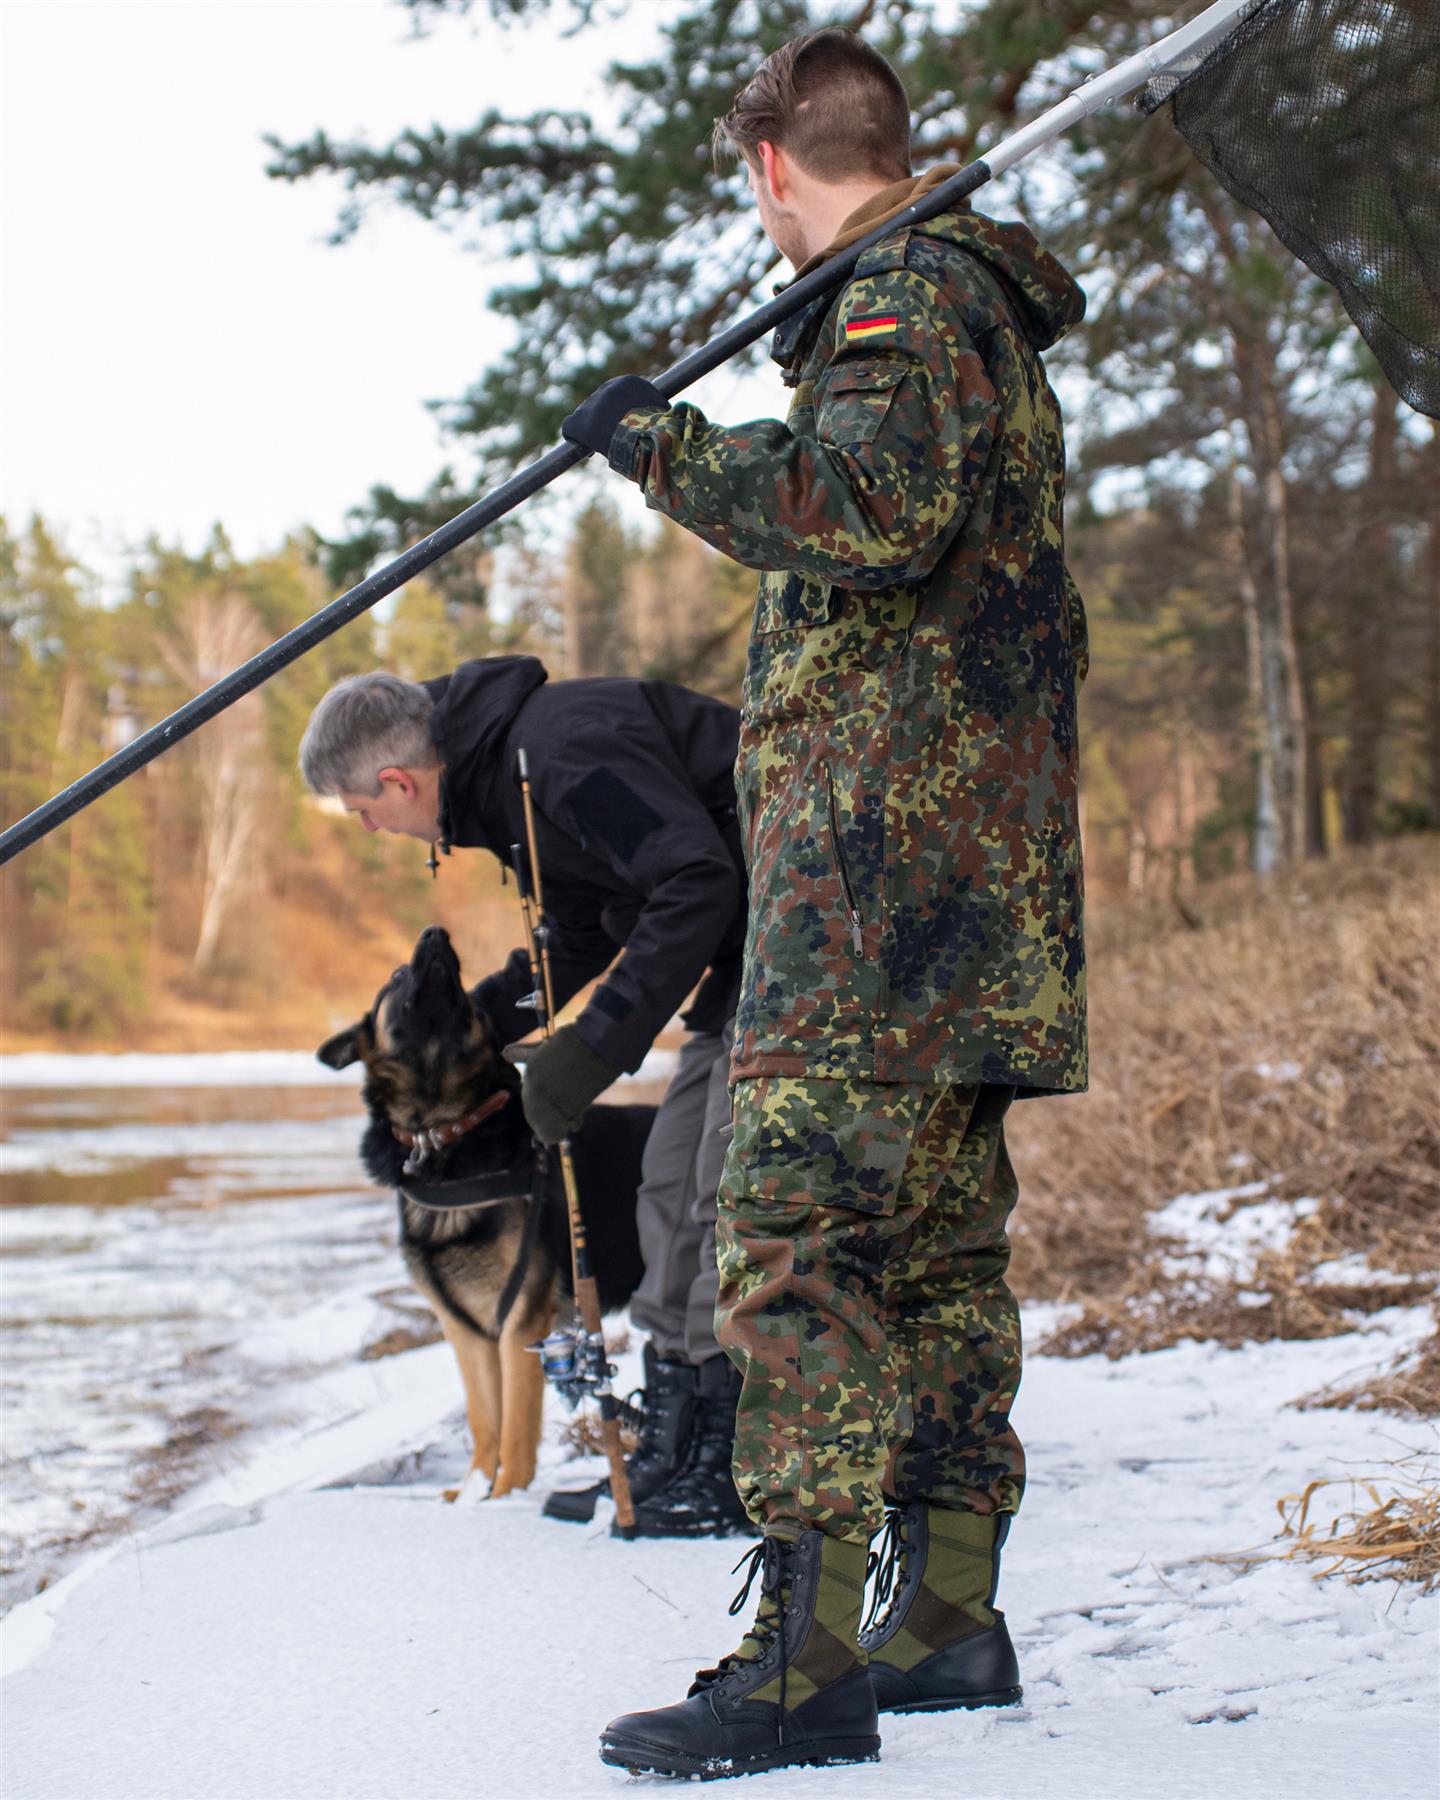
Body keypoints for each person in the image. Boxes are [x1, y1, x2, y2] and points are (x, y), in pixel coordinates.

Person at [558, 28, 1089, 1780]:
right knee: (934, 1261)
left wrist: (662, 448)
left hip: (875, 908)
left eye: (751, 182)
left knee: (797, 1255)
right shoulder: (960, 307)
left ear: (778, 164)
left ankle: (804, 1665)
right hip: (963, 908)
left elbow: (863, 504)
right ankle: (943, 1622)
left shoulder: (902, 301)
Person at [298, 655, 754, 1537]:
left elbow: (698, 880)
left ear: (397, 782)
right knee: (666, 1187)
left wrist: (591, 1045)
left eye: (364, 813)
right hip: (750, 961)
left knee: (715, 1200)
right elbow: (579, 930)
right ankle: (675, 1445)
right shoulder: (505, 786)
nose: (368, 829)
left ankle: (727, 1460)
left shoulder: (562, 753)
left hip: (821, 935)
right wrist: (468, 1026)